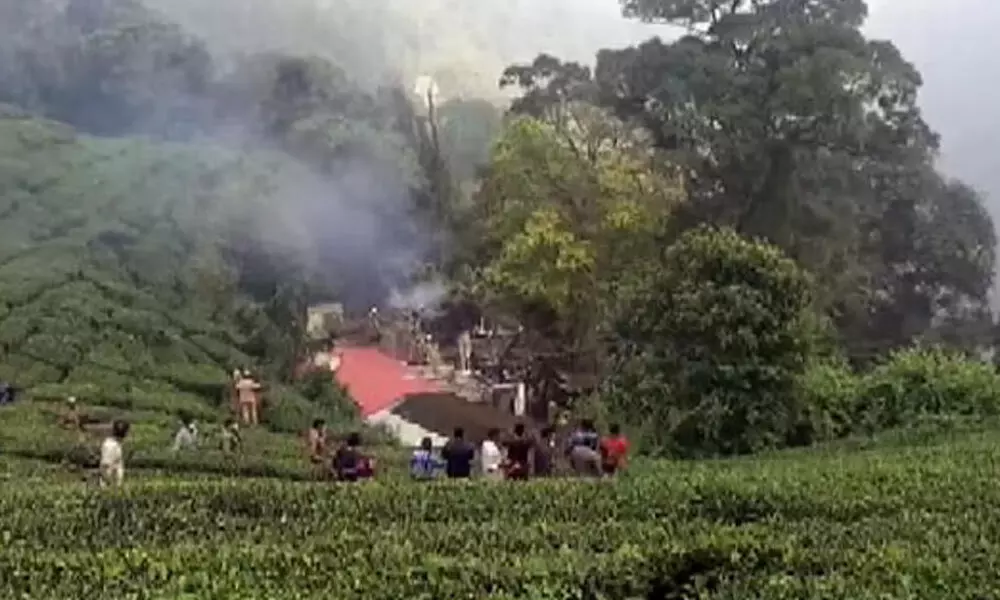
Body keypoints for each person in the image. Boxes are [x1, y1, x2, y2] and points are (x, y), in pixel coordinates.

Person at [99, 420, 130, 487]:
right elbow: (105, 466)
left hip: (115, 484)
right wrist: (110, 483)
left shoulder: (117, 444)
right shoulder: (110, 445)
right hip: (109, 486)